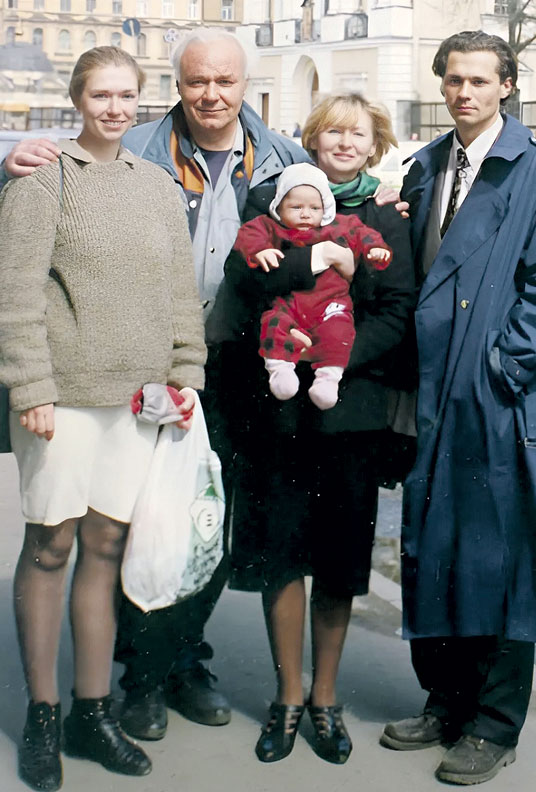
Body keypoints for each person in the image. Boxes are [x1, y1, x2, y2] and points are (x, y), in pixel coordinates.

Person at [0, 27, 311, 742]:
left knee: (190, 523)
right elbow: (19, 271)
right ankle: (127, 684)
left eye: (225, 81)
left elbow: (327, 210)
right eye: (197, 80)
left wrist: (384, 203)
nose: (212, 94)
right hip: (104, 379)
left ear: (244, 86)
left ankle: (171, 667)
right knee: (89, 536)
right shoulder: (118, 156)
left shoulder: (279, 159)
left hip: (218, 368)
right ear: (175, 87)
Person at [379, 30, 536, 786]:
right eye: (453, 80)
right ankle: (446, 702)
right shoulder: (428, 165)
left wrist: (504, 367)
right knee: (437, 550)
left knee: (500, 559)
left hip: (496, 399)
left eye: (478, 80)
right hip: (434, 394)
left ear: (506, 86)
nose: (464, 92)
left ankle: (494, 725)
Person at [0, 46, 206, 792]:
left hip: (137, 402)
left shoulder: (157, 185)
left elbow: (179, 292)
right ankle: (44, 716)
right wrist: (30, 387)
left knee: (107, 545)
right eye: (100, 96)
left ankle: (93, 712)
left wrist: (186, 375)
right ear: (78, 99)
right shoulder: (42, 180)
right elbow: (16, 294)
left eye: (125, 96)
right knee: (50, 544)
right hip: (59, 401)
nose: (114, 109)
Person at [221, 92, 417, 764]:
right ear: (312, 138)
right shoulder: (271, 204)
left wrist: (335, 357)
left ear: (375, 144)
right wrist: (318, 267)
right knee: (280, 556)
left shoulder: (385, 216)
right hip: (278, 413)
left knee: (337, 561)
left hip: (350, 412)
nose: (344, 143)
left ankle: (325, 698)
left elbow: (397, 310)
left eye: (357, 134)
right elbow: (243, 282)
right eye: (332, 131)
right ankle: (287, 696)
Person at [234, 162, 392, 409]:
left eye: (314, 208)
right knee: (274, 323)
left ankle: (328, 379)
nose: (306, 214)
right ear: (279, 207)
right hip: (288, 302)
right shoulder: (271, 226)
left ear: (325, 208)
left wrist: (375, 249)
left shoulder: (340, 225)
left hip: (330, 303)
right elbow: (248, 234)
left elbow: (364, 234)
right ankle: (280, 370)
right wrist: (260, 250)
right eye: (296, 207)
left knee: (339, 331)